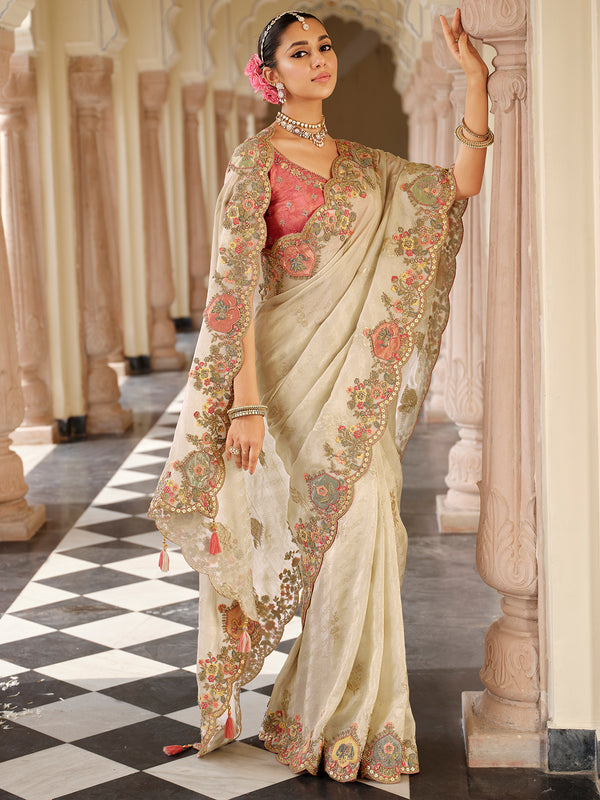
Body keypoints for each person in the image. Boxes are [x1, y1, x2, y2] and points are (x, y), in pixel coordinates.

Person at [149, 7, 490, 784]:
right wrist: (243, 405)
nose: (319, 59)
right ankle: (321, 715)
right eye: (300, 52)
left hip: (350, 382)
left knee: (370, 522)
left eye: (325, 46)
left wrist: (474, 78)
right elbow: (233, 290)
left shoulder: (368, 168)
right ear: (271, 76)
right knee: (320, 530)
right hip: (281, 382)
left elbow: (460, 185)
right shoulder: (254, 163)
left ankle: (338, 719)